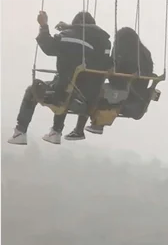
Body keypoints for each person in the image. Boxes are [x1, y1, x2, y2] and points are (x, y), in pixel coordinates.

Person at [9, 11, 111, 145]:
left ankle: (20, 132)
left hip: (67, 93)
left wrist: (43, 25)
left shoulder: (70, 37)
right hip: (91, 99)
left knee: (34, 90)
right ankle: (55, 131)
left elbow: (49, 47)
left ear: (76, 24)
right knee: (67, 83)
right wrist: (69, 27)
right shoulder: (104, 44)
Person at [67, 26, 154, 139]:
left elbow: (118, 74)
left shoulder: (127, 55)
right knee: (102, 91)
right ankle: (97, 125)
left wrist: (108, 71)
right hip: (138, 93)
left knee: (93, 93)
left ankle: (81, 129)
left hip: (127, 91)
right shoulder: (144, 54)